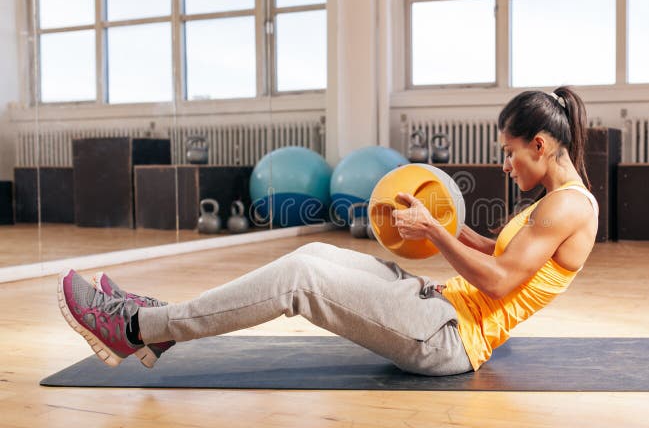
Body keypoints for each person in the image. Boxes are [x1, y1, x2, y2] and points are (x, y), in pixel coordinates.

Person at [57, 87, 598, 376]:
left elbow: (502, 282)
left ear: (541, 145)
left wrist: (434, 231)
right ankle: (162, 326)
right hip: (439, 304)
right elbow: (495, 252)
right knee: (315, 250)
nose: (506, 165)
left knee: (301, 278)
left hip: (449, 339)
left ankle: (135, 328)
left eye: (509, 153)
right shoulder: (553, 204)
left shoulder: (568, 209)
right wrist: (437, 223)